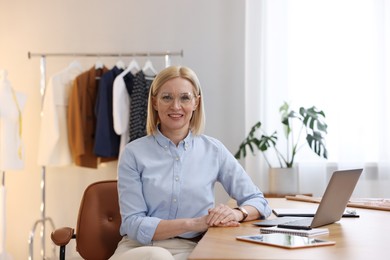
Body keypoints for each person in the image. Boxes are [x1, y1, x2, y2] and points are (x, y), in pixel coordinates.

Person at [110, 66, 271, 260]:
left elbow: (258, 201)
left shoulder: (214, 150)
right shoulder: (133, 153)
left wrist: (236, 214)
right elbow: (133, 223)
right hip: (140, 248)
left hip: (193, 249)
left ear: (196, 102)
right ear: (154, 102)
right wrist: (195, 224)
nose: (176, 106)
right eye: (167, 97)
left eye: (185, 98)